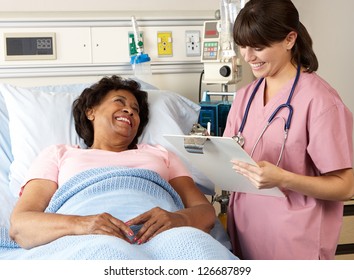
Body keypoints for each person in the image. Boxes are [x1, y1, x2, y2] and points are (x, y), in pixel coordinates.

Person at [9, 75, 236, 259]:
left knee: (198, 251)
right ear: (91, 111)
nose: (130, 111)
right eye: (120, 102)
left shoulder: (161, 155)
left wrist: (179, 219)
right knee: (106, 254)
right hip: (85, 238)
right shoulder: (59, 154)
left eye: (135, 109)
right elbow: (21, 225)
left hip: (165, 235)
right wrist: (82, 224)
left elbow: (205, 212)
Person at [223, 0, 354, 260]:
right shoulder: (245, 97)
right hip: (246, 232)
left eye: (258, 47)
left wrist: (284, 178)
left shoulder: (321, 101)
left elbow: (346, 186)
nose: (248, 57)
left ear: (289, 39)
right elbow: (231, 160)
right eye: (243, 46)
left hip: (295, 242)